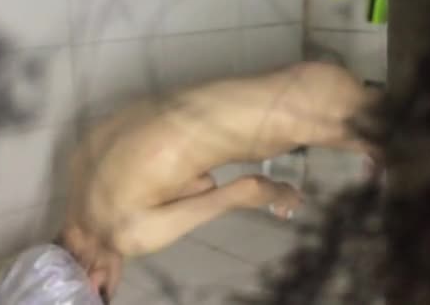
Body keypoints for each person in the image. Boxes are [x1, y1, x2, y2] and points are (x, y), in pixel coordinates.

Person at [61, 61, 380, 299]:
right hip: (300, 86)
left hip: (312, 116)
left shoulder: (128, 235)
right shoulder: (80, 162)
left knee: (406, 142)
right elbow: (194, 177)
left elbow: (248, 189)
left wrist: (282, 194)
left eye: (108, 296)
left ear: (95, 282)